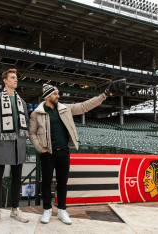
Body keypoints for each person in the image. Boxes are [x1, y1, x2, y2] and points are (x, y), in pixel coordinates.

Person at [29, 80, 126, 225]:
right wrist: (40, 148)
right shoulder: (37, 113)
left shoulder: (65, 108)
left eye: (58, 93)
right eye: (55, 94)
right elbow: (31, 133)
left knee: (62, 183)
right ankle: (47, 210)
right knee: (46, 182)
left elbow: (84, 106)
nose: (58, 96)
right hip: (48, 153)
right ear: (47, 96)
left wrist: (104, 95)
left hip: (63, 151)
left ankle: (62, 210)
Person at [0, 68, 30, 225]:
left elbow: (26, 123)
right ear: (5, 80)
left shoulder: (22, 102)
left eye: (16, 77)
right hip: (3, 143)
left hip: (19, 145)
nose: (16, 80)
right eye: (12, 77)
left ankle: (15, 209)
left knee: (17, 178)